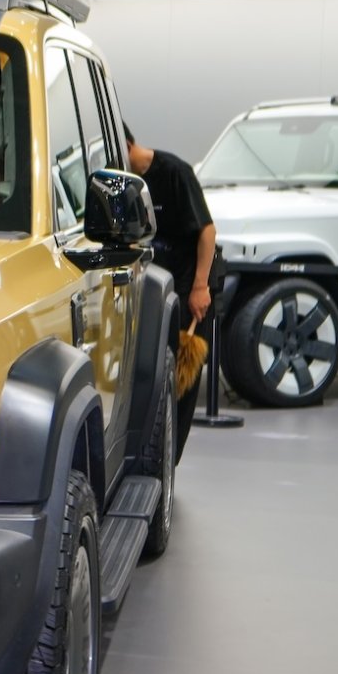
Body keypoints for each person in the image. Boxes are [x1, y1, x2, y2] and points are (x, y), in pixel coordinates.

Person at [126, 125, 216, 461]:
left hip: (188, 288)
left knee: (180, 385)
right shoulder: (126, 182)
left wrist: (200, 286)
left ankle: (167, 461)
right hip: (150, 289)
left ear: (127, 144)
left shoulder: (175, 172)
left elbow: (207, 231)